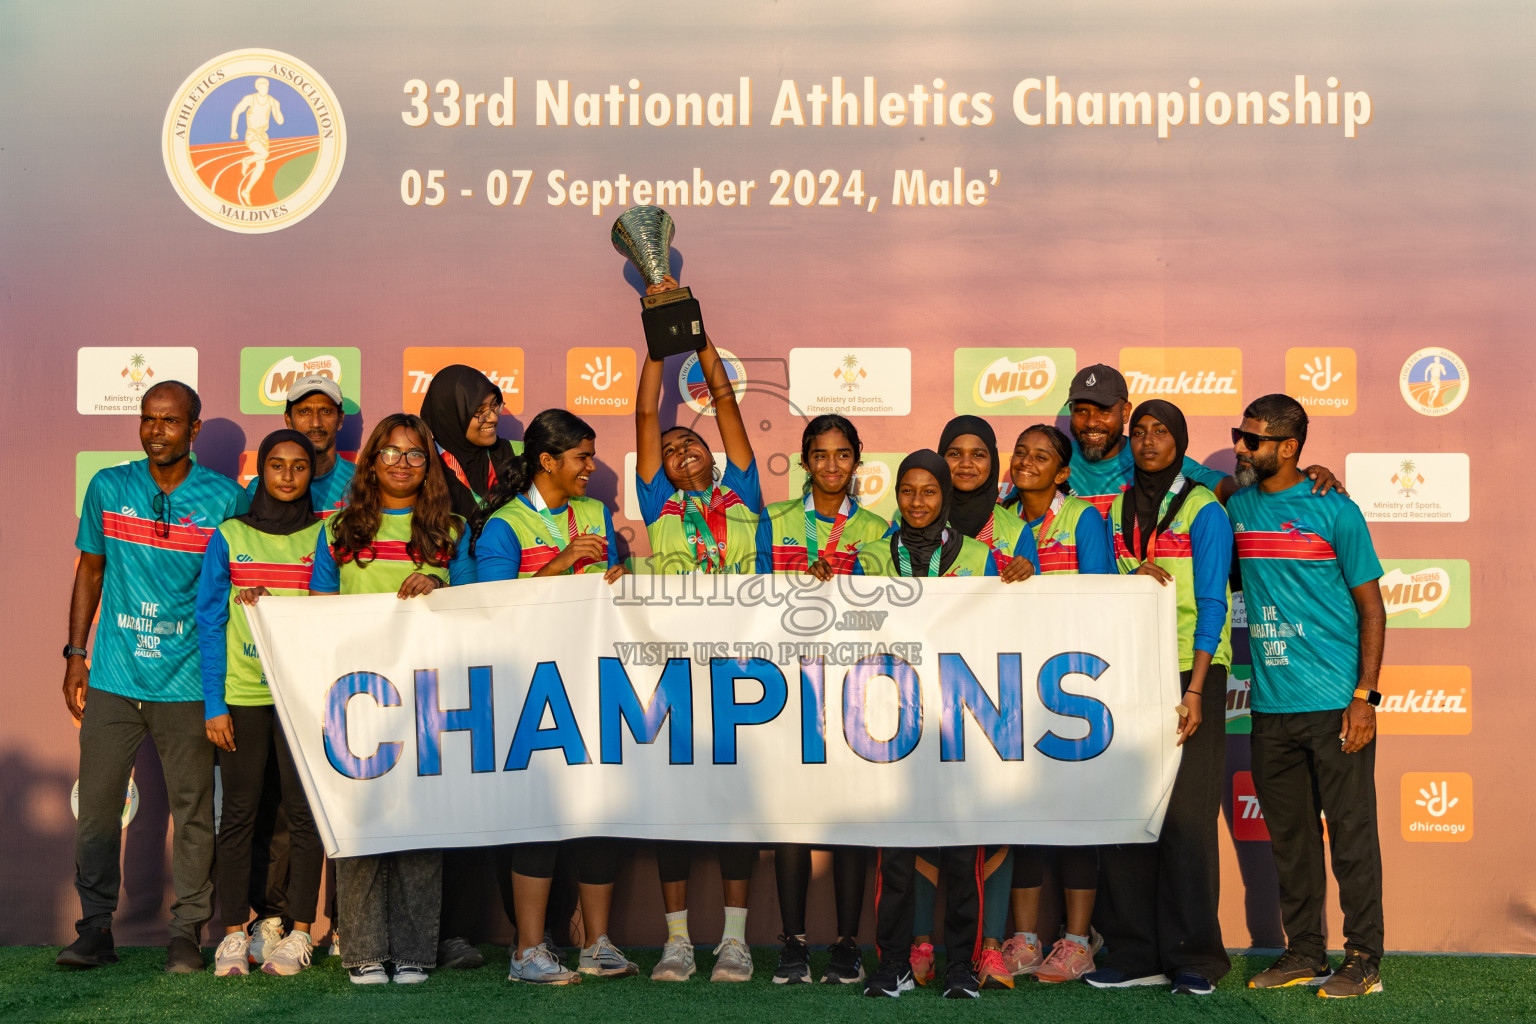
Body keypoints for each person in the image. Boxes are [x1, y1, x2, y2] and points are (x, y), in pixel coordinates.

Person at [58, 381, 248, 973]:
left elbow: (234, 593)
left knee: (193, 809)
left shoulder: (224, 500)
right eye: (148, 419)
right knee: (98, 808)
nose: (155, 431)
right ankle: (94, 929)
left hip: (189, 682)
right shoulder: (109, 487)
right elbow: (90, 570)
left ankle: (187, 932)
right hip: (114, 676)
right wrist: (74, 654)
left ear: (194, 429)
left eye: (170, 422)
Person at [1227, 395, 1386, 999]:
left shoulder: (1335, 511)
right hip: (1270, 710)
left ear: (1288, 448)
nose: (1241, 447)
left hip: (1335, 706)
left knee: (1351, 837)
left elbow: (1372, 607)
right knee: (1290, 842)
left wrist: (1366, 697)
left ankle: (1365, 959)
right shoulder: (1236, 504)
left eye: (1251, 439)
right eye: (1237, 436)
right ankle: (1303, 953)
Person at [469, 408, 635, 985]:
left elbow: (605, 600)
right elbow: (492, 611)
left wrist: (614, 583)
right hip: (530, 687)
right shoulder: (505, 525)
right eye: (582, 458)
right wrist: (562, 566)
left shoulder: (592, 512)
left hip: (591, 681)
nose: (592, 468)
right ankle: (527, 952)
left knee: (597, 812)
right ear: (547, 462)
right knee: (538, 817)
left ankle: (597, 944)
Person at [308, 413, 475, 985]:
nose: (402, 464)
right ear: (371, 460)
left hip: (429, 698)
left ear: (429, 466)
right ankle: (361, 951)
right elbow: (317, 614)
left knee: (421, 826)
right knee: (360, 824)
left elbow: (482, 603)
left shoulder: (452, 529)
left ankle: (412, 952)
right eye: (390, 453)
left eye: (414, 455)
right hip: (356, 701)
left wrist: (443, 585)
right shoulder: (337, 529)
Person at [634, 275, 762, 983]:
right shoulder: (657, 502)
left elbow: (723, 400)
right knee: (675, 804)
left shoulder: (742, 492)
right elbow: (645, 416)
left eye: (694, 447)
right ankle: (678, 940)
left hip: (747, 667)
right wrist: (660, 343)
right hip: (676, 670)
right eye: (674, 450)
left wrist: (695, 333)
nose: (683, 453)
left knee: (739, 805)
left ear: (712, 457)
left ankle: (735, 941)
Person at [1088, 400, 1233, 996]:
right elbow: (1102, 592)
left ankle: (1194, 956)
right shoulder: (1115, 506)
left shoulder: (1204, 509)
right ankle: (1134, 951)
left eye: (1161, 433)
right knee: (1128, 813)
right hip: (1129, 675)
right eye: (1140, 432)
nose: (1148, 442)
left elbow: (1215, 604)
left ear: (1180, 443)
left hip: (1187, 673)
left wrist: (1196, 689)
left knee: (1186, 821)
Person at [754, 415, 887, 985]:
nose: (831, 467)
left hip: (854, 689)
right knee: (793, 817)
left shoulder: (881, 527)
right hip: (788, 686)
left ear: (858, 459)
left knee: (850, 817)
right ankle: (792, 943)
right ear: (804, 461)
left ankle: (849, 944)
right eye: (820, 456)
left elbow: (893, 610)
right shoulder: (776, 520)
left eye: (842, 455)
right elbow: (752, 598)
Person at [860, 451, 994, 1001]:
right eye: (908, 491)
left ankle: (961, 966)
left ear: (945, 496)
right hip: (891, 721)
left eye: (929, 492)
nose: (918, 502)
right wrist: (827, 582)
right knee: (894, 855)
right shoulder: (870, 555)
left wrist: (1023, 579)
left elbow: (1010, 628)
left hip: (958, 721)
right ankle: (892, 963)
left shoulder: (983, 556)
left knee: (963, 854)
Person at [914, 417, 1036, 990]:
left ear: (995, 464)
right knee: (917, 820)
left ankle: (988, 947)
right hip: (919, 693)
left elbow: (1032, 608)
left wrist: (1025, 573)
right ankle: (920, 941)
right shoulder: (906, 522)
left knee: (993, 818)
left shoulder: (1013, 527)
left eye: (978, 455)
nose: (965, 466)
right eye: (954, 454)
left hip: (990, 690)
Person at [197, 429, 325, 978]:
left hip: (300, 697)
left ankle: (299, 932)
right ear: (261, 472)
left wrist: (279, 607)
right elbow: (209, 620)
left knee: (303, 815)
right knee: (240, 814)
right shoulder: (229, 535)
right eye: (277, 466)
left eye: (299, 467)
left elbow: (327, 613)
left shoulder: (325, 534)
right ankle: (232, 935)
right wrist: (213, 703)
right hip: (243, 696)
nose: (288, 476)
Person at [997, 424, 1110, 983]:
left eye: (1042, 456)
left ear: (1063, 472)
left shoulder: (1084, 518)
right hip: (1010, 684)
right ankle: (1023, 940)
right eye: (1020, 452)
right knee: (1023, 813)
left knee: (1074, 813)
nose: (1026, 462)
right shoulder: (996, 516)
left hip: (1070, 683)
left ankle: (1076, 939)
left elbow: (1099, 598)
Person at [1063, 364, 1341, 512]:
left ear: (1124, 413)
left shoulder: (1155, 459)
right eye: (1081, 411)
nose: (1091, 423)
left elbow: (1232, 490)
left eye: (1103, 411)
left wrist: (1303, 480)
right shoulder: (1055, 463)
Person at [245, 374, 354, 518]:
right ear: (288, 420)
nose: (315, 423)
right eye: (304, 412)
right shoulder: (259, 488)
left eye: (325, 411)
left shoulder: (362, 482)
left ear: (340, 419)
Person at [420, 364, 519, 519]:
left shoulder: (515, 456)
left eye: (494, 406)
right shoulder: (421, 466)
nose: (493, 418)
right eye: (479, 411)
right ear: (450, 416)